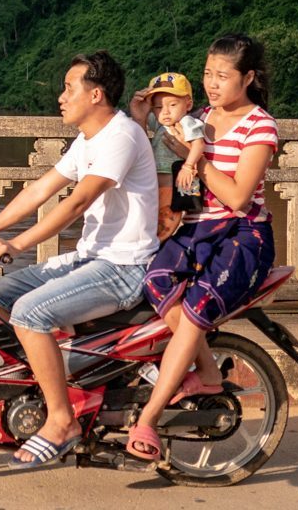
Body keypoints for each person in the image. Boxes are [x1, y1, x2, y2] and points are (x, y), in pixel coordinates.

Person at [0, 50, 159, 470]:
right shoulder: (88, 139)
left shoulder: (122, 136)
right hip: (92, 257)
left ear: (96, 94)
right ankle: (58, 382)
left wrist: (15, 245)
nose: (61, 96)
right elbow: (41, 190)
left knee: (28, 312)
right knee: (3, 291)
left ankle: (61, 421)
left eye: (69, 88)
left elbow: (76, 203)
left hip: (123, 267)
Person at [123, 34, 278, 461]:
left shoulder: (259, 125)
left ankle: (148, 420)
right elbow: (148, 152)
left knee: (195, 310)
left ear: (247, 78)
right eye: (208, 73)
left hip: (242, 236)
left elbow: (239, 197)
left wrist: (197, 160)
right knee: (155, 282)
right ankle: (208, 371)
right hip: (195, 229)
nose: (212, 83)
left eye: (222, 76)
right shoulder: (200, 116)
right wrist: (141, 119)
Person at [141, 72, 207, 241]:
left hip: (173, 179)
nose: (165, 112)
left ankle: (156, 247)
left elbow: (199, 144)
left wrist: (188, 165)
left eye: (172, 105)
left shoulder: (187, 122)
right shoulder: (160, 123)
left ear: (188, 104)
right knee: (149, 217)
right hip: (155, 179)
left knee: (168, 218)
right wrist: (137, 108)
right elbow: (142, 120)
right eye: (158, 107)